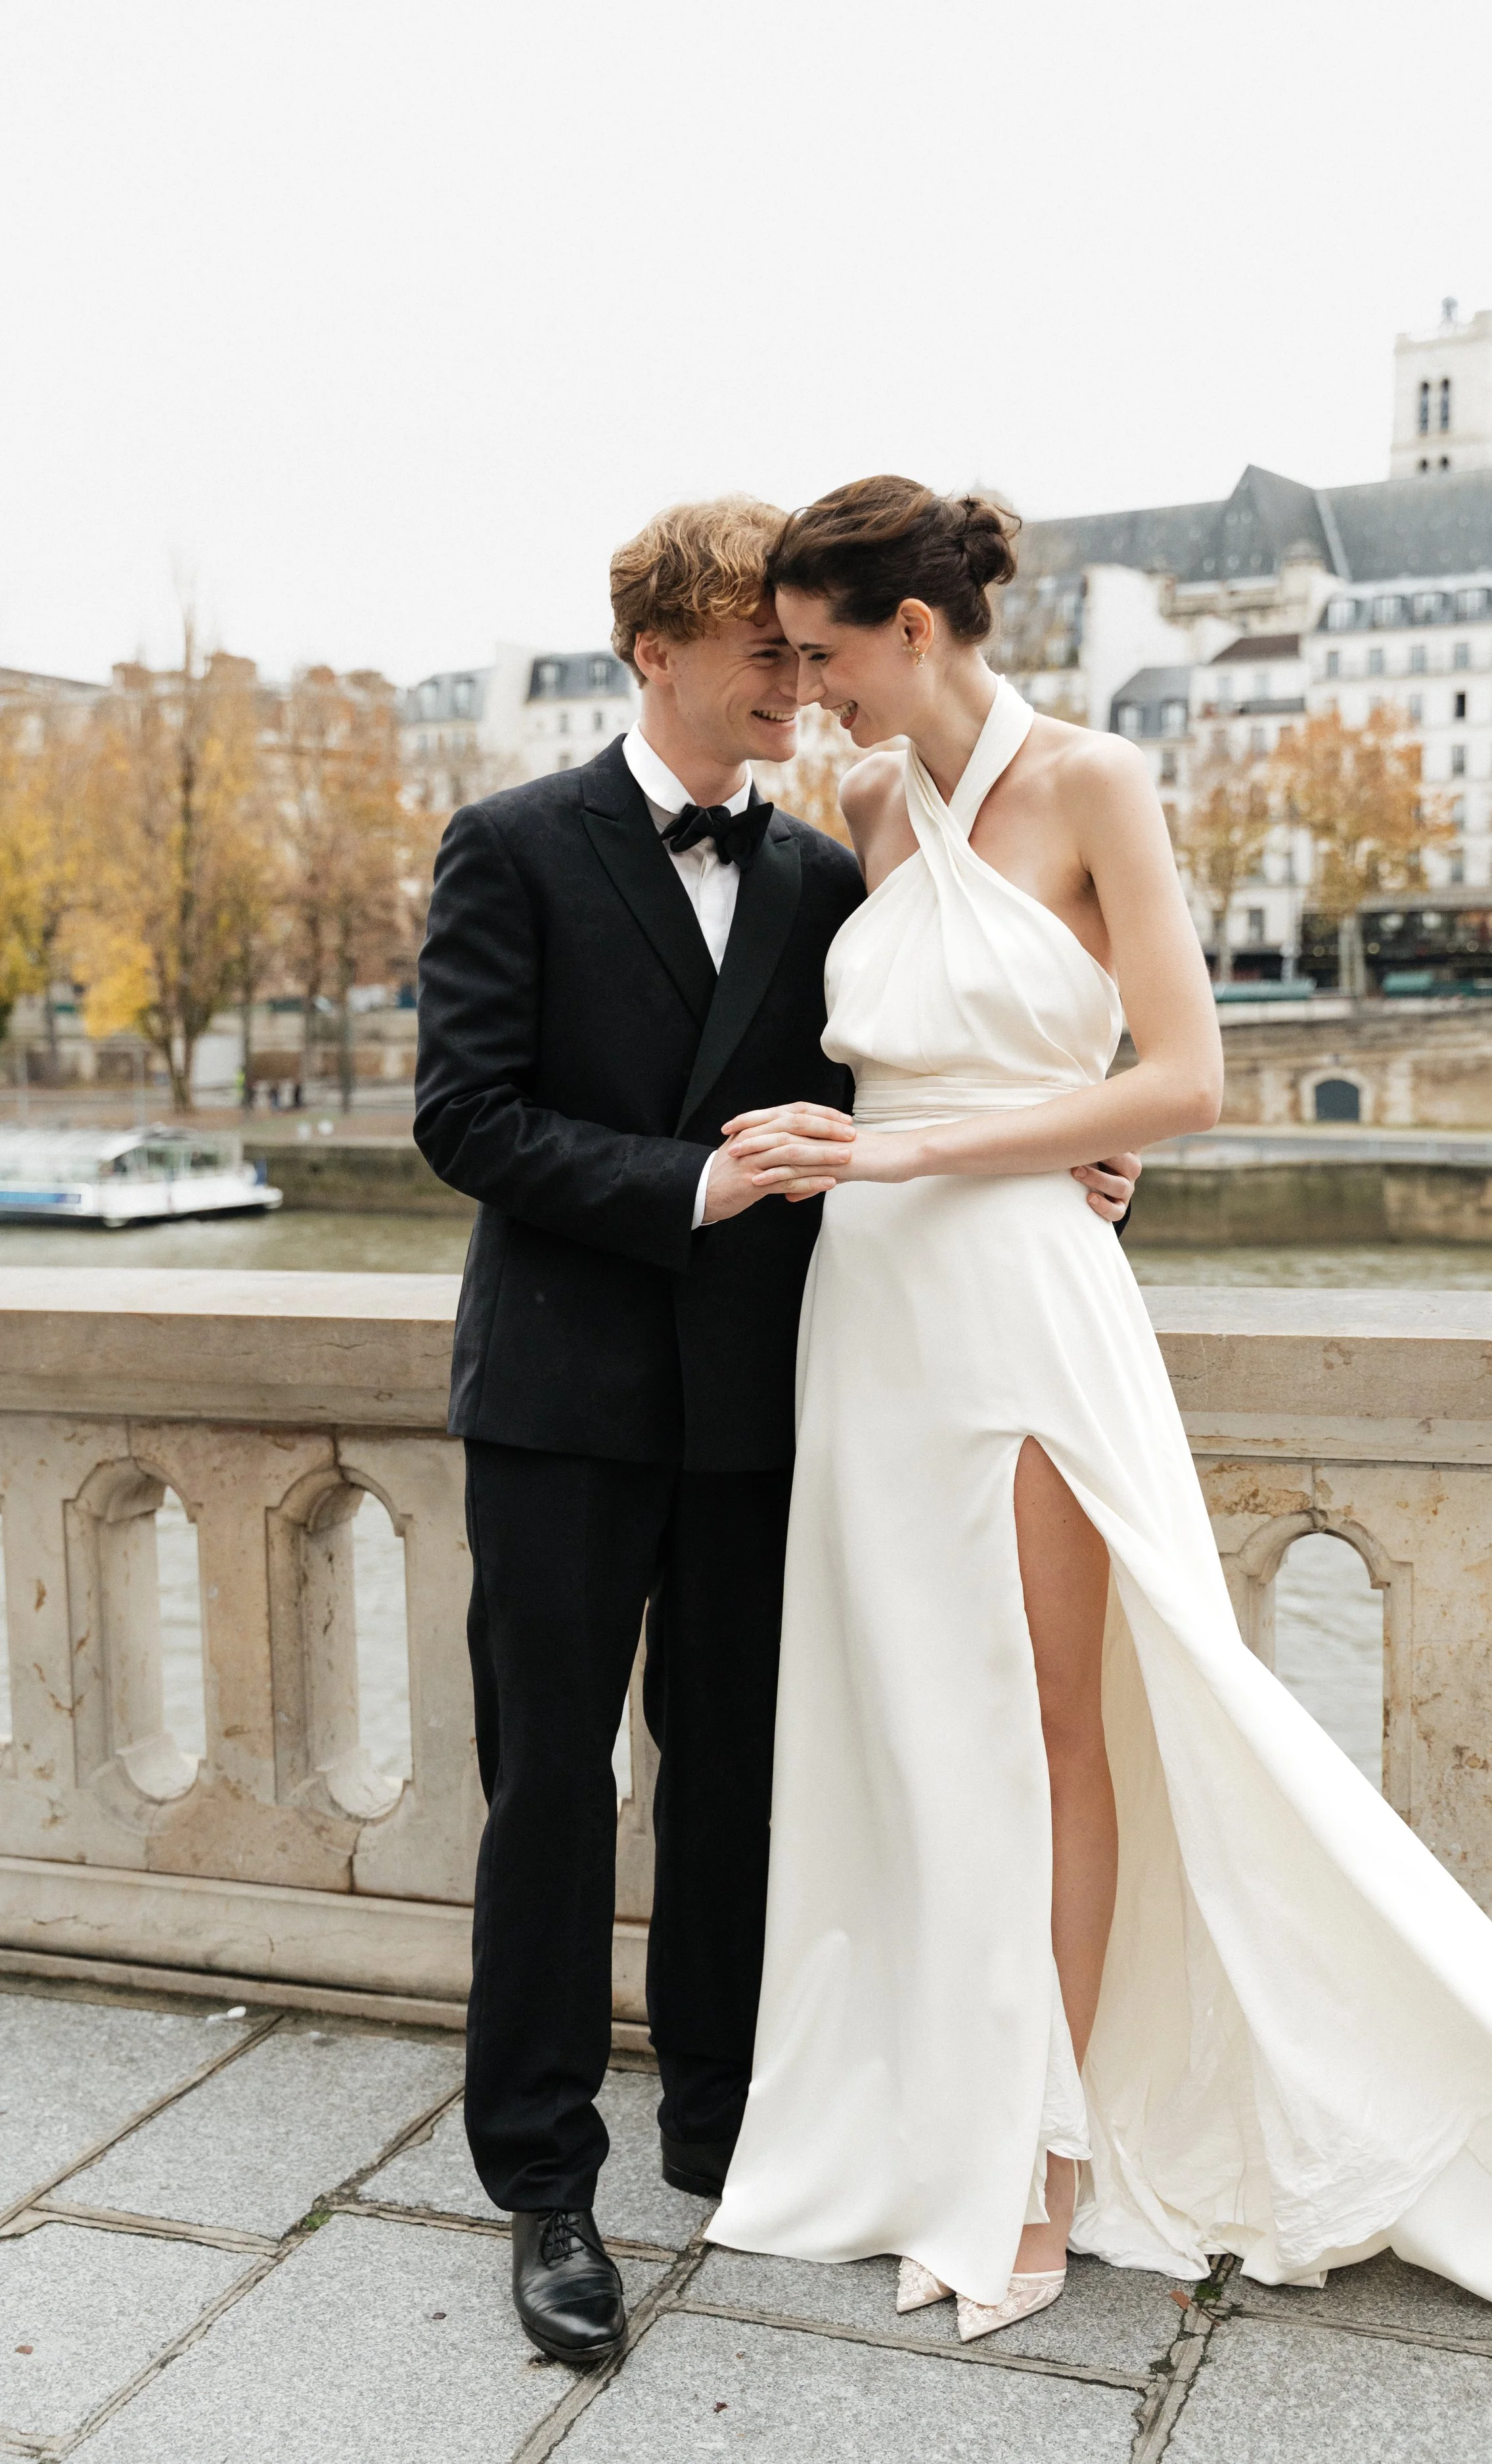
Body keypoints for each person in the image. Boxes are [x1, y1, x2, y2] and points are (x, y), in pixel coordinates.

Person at [707, 476, 1492, 2340]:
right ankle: (929, 2119)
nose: (804, 693)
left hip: (1015, 1295)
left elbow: (1189, 1077)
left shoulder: (1096, 784)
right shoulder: (868, 801)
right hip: (871, 1301)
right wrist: (879, 1158)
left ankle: (1042, 2161)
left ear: (915, 625)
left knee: (1058, 1721)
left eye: (822, 654)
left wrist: (947, 1154)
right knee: (907, 1715)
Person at [413, 492, 1141, 2365]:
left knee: (740, 1776)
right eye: (764, 651)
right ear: (652, 652)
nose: (797, 688)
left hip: (773, 1406)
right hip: (564, 1405)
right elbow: (463, 1121)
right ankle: (544, 2179)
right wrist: (693, 1188)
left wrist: (1091, 1134)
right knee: (550, 1793)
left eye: (809, 651)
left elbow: (932, 1069)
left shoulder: (835, 865)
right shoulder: (506, 845)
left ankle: (724, 2123)